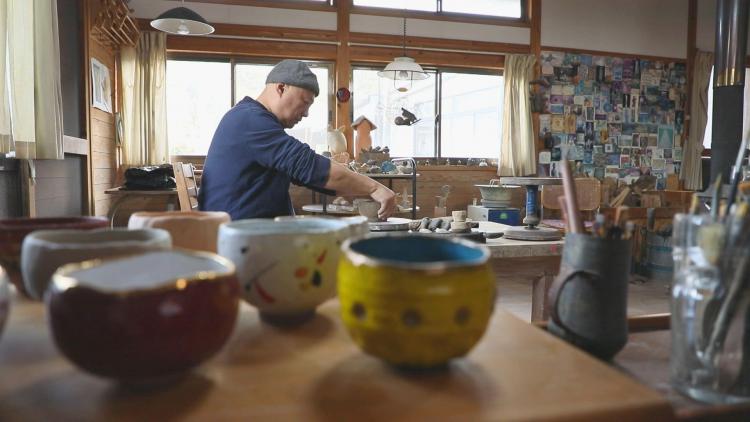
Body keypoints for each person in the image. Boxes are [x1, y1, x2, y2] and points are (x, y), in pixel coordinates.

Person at [199, 60, 396, 220]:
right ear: (281, 88)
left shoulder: (252, 118)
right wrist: (374, 187)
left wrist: (366, 193)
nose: (306, 113)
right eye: (305, 102)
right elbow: (307, 165)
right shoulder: (249, 120)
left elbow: (307, 175)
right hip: (236, 237)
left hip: (252, 231)